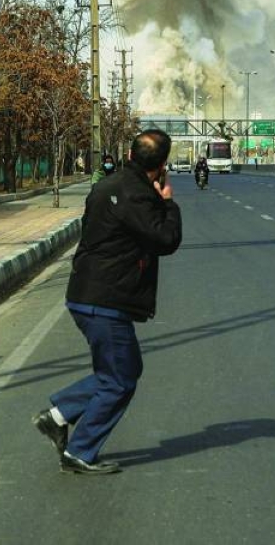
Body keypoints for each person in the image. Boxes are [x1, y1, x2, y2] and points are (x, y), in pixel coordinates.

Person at [33, 129, 182, 475]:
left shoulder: (105, 186)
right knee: (120, 379)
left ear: (129, 155)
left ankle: (58, 415)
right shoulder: (140, 196)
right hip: (107, 300)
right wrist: (168, 202)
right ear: (162, 165)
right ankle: (79, 451)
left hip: (84, 293)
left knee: (121, 371)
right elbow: (166, 239)